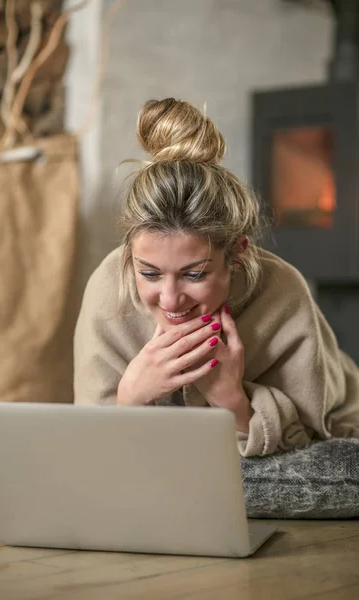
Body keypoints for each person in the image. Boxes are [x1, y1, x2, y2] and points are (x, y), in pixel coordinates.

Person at [74, 97, 359, 457]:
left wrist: (233, 403)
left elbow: (314, 439)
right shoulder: (108, 288)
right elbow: (91, 449)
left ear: (237, 252)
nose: (170, 299)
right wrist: (131, 398)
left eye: (194, 274)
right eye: (149, 273)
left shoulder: (282, 291)